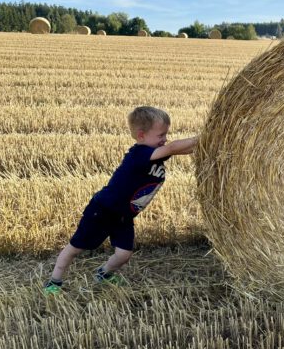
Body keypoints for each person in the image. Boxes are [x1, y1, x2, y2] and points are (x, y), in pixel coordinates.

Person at [43, 106, 197, 294]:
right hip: (103, 210)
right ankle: (54, 282)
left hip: (123, 216)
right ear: (141, 136)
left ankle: (104, 274)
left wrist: (209, 144)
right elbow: (173, 147)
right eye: (161, 135)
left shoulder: (155, 153)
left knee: (124, 254)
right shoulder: (139, 154)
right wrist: (205, 136)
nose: (165, 139)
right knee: (76, 247)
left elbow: (178, 149)